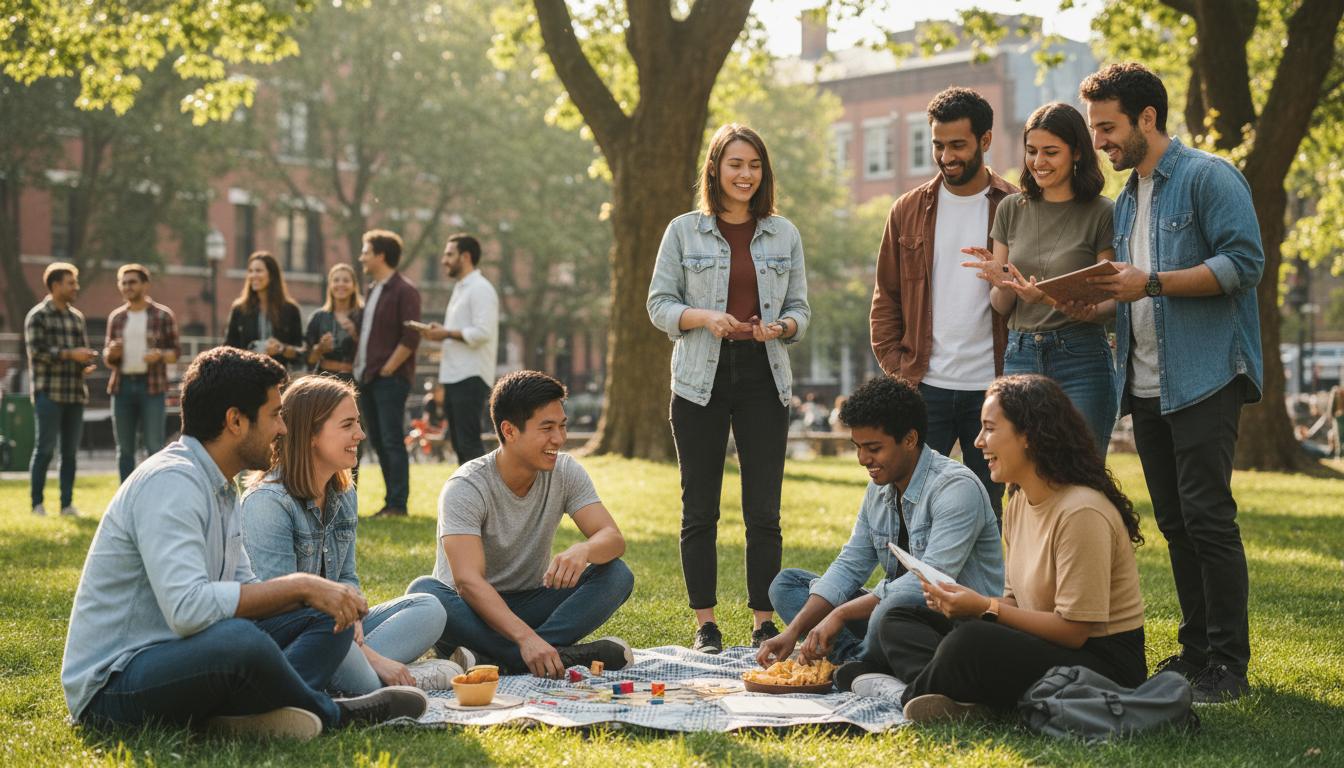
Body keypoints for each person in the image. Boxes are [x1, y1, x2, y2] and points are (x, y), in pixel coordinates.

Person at [61, 347, 427, 740]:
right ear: (235, 420)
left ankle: (256, 713)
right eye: (274, 415)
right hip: (115, 683)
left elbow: (250, 591)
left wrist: (319, 596)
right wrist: (302, 585)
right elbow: (187, 609)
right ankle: (330, 712)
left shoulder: (222, 486)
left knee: (326, 615)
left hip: (191, 654)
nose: (283, 430)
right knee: (239, 640)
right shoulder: (171, 482)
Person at [1080, 62, 1264, 703]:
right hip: (1148, 380)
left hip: (1206, 373)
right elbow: (1129, 288)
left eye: (1107, 127)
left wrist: (1150, 284)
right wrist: (1090, 299)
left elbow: (1244, 264)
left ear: (1147, 118)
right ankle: (1194, 652)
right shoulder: (1130, 194)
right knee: (1175, 524)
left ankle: (1229, 665)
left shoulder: (1209, 177)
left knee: (1208, 518)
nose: (1099, 141)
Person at [838, 374, 1146, 724]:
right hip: (1042, 643)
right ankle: (961, 697)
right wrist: (963, 602)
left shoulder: (1082, 511)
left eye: (989, 429)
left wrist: (985, 608)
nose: (978, 441)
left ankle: (904, 693)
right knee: (899, 619)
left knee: (970, 641)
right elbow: (1015, 601)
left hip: (1103, 666)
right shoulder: (1019, 501)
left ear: (1028, 435)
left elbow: (1074, 632)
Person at [647, 123, 811, 653]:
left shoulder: (783, 234)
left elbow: (800, 310)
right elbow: (659, 305)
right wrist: (701, 317)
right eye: (735, 164)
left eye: (754, 166)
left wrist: (781, 328)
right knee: (700, 508)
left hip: (764, 375)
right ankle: (706, 624)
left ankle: (764, 620)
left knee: (764, 510)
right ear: (714, 168)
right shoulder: (683, 231)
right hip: (700, 378)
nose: (745, 175)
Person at [756, 376, 1003, 668]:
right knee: (787, 584)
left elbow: (929, 585)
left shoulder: (956, 488)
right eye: (858, 447)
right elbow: (850, 564)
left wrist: (840, 614)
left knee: (888, 612)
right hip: (895, 613)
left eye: (873, 448)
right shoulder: (879, 488)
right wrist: (793, 631)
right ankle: (854, 660)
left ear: (910, 440)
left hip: (952, 625)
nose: (862, 459)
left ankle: (861, 661)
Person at [408, 370, 635, 678]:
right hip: (469, 612)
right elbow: (467, 582)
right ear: (510, 431)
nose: (559, 438)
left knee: (617, 574)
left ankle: (502, 660)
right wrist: (526, 638)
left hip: (531, 604)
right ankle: (551, 654)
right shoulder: (466, 486)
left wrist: (585, 549)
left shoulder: (565, 471)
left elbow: (612, 538)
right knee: (425, 592)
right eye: (547, 428)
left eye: (562, 426)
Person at [242, 375, 454, 694]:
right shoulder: (268, 503)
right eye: (348, 425)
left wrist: (353, 616)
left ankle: (363, 677)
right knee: (365, 678)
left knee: (431, 607)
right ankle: (397, 678)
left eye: (358, 422)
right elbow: (281, 610)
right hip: (296, 640)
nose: (361, 434)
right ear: (310, 433)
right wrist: (371, 656)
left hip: (339, 628)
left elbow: (347, 577)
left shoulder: (343, 494)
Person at [869, 87, 1016, 517]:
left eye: (957, 145)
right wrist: (900, 372)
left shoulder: (1015, 207)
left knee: (988, 513)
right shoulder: (908, 210)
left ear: (985, 141)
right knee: (907, 507)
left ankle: (979, 587)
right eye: (938, 144)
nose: (946, 156)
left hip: (992, 388)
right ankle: (904, 585)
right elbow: (886, 298)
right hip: (925, 384)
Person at [960, 102, 1117, 456]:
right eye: (1032, 151)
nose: (1038, 162)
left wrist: (1061, 303)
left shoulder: (1102, 212)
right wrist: (1001, 283)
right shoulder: (1011, 209)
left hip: (1082, 356)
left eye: (1051, 152)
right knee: (1024, 472)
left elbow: (1113, 300)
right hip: (1022, 355)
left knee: (1083, 470)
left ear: (1077, 152)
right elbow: (1001, 307)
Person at [353, 229, 422, 517]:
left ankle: (398, 504)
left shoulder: (405, 291)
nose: (362, 257)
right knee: (378, 440)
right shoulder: (373, 289)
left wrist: (388, 368)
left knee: (392, 439)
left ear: (381, 255)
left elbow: (411, 337)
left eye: (366, 252)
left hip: (389, 379)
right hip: (367, 377)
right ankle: (389, 501)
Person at [414, 234, 500, 465]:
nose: (444, 260)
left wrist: (447, 333)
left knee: (469, 443)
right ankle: (469, 498)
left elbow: (483, 332)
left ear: (466, 257)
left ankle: (485, 499)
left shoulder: (481, 289)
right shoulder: (460, 289)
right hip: (454, 376)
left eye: (449, 254)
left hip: (471, 376)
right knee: (459, 443)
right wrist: (441, 334)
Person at [25, 262, 94, 517]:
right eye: (71, 283)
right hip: (48, 394)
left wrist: (85, 362)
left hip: (74, 393)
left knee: (70, 454)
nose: (76, 287)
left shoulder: (77, 317)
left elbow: (81, 356)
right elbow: (37, 353)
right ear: (55, 286)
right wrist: (70, 354)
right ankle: (37, 504)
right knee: (44, 450)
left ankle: (66, 504)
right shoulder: (37, 316)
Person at [104, 264, 181, 482]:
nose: (127, 287)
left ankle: (153, 494)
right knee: (124, 450)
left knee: (154, 447)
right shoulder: (116, 318)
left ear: (145, 285)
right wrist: (112, 353)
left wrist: (159, 355)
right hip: (122, 386)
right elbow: (108, 359)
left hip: (152, 387)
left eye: (132, 282)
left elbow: (175, 353)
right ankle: (125, 500)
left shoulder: (163, 315)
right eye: (123, 282)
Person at [225, 251, 304, 369]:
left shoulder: (291, 309)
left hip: (279, 379)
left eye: (258, 271)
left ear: (272, 275)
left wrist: (281, 348)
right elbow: (228, 350)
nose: (253, 275)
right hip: (246, 377)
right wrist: (255, 352)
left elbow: (301, 353)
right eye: (250, 271)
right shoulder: (239, 309)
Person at [305, 263, 364, 381]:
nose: (340, 284)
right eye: (336, 280)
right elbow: (308, 359)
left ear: (354, 286)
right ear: (330, 285)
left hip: (356, 380)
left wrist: (355, 335)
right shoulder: (318, 317)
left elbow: (373, 350)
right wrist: (320, 348)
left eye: (346, 280)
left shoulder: (363, 316)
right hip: (325, 380)